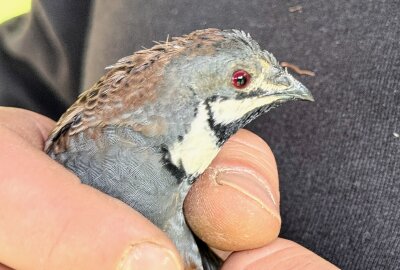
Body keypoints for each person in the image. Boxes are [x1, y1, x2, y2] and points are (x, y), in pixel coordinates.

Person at [0, 1, 398, 269]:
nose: (285, 83)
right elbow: (20, 72)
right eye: (242, 80)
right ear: (191, 98)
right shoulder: (109, 155)